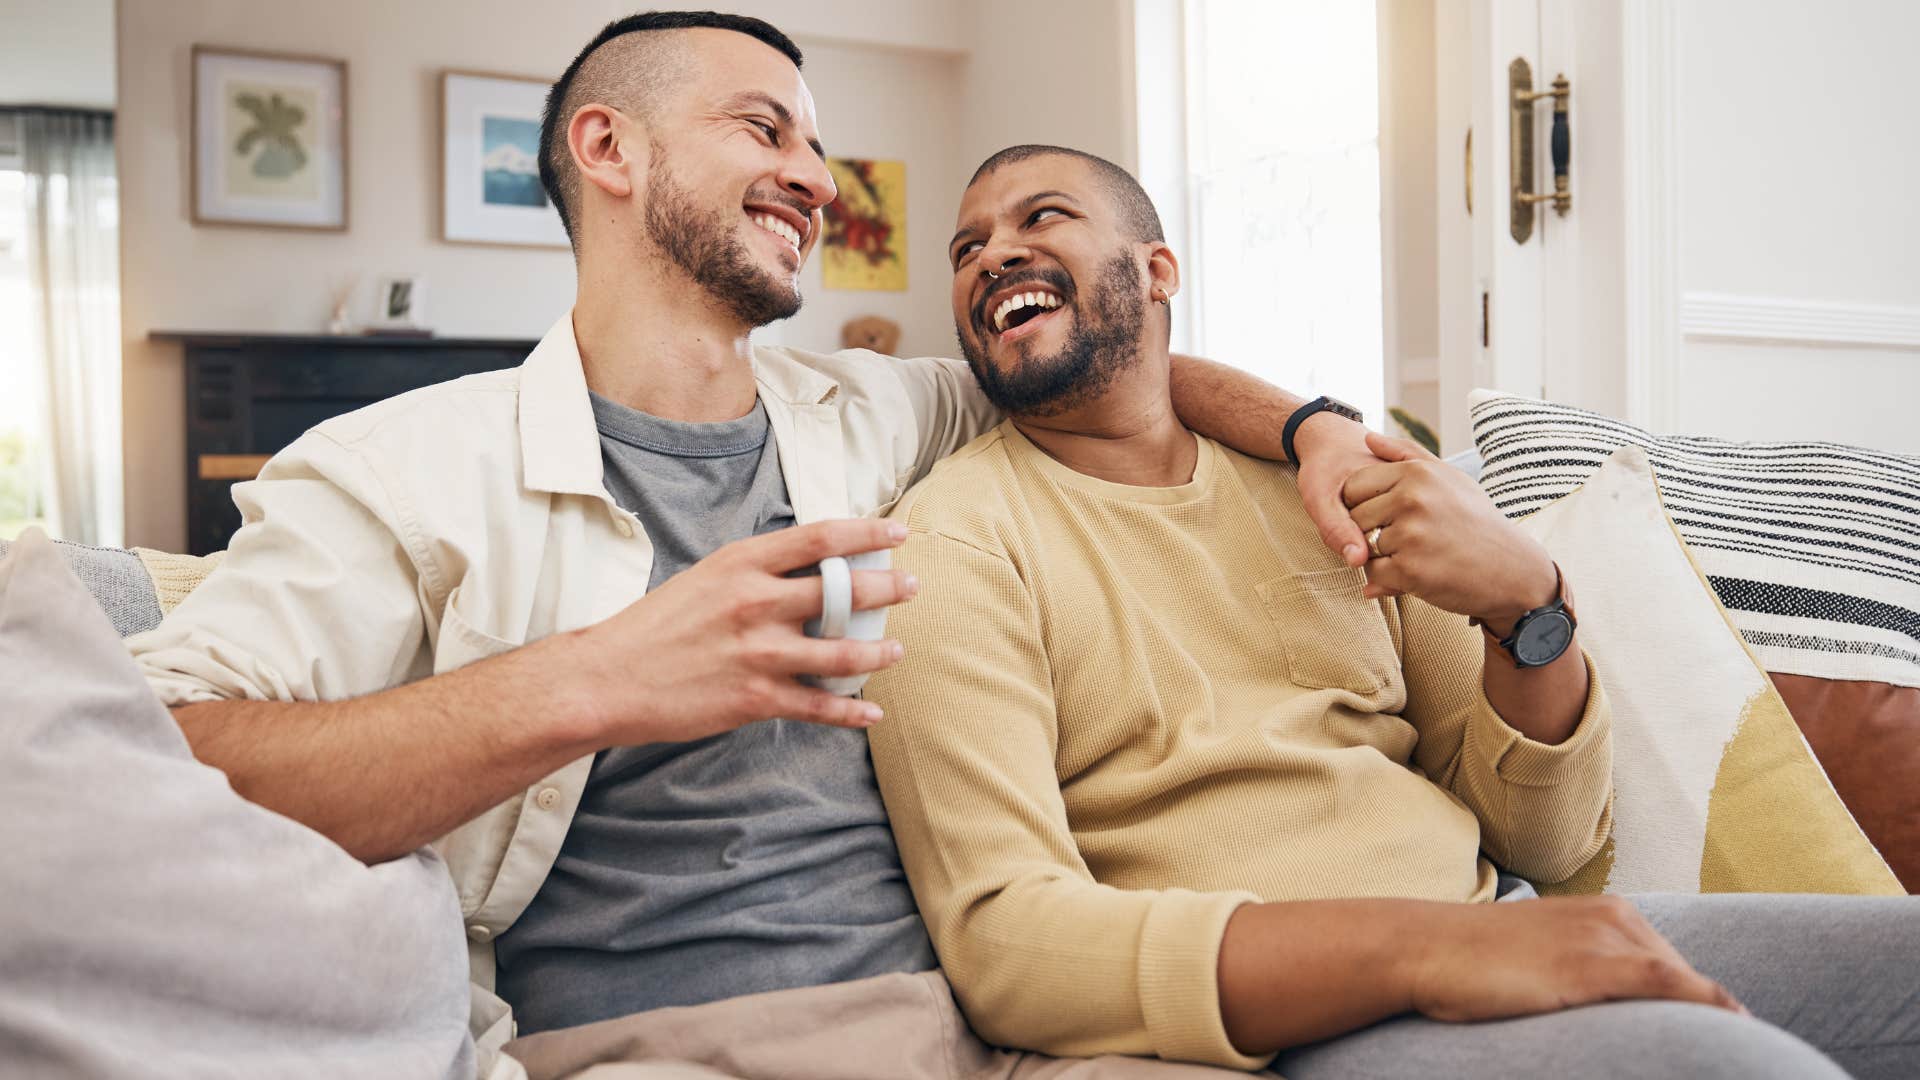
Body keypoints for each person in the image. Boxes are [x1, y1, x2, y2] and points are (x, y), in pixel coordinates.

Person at [126, 13, 1383, 1077]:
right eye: (765, 129)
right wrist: (598, 679)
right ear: (607, 147)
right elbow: (157, 763)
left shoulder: (885, 410)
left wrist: (1319, 429)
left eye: (819, 147)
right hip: (655, 1046)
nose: (820, 179)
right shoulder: (398, 469)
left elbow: (1111, 365)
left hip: (978, 1032)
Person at [862, 144, 1920, 1080]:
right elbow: (1007, 943)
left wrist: (1528, 606)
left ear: (1158, 270)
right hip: (1324, 1012)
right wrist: (1428, 950)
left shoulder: (1325, 488)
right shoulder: (952, 544)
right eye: (964, 248)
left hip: (1505, 926)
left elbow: (1546, 838)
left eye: (1039, 217)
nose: (991, 254)